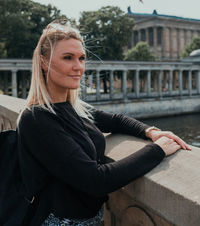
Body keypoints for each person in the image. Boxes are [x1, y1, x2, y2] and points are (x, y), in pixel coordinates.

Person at [17, 20, 191, 226]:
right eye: (68, 58)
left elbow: (116, 121)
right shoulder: (36, 119)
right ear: (44, 62)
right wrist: (158, 149)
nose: (78, 67)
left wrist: (151, 132)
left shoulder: (71, 107)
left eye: (82, 58)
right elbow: (96, 181)